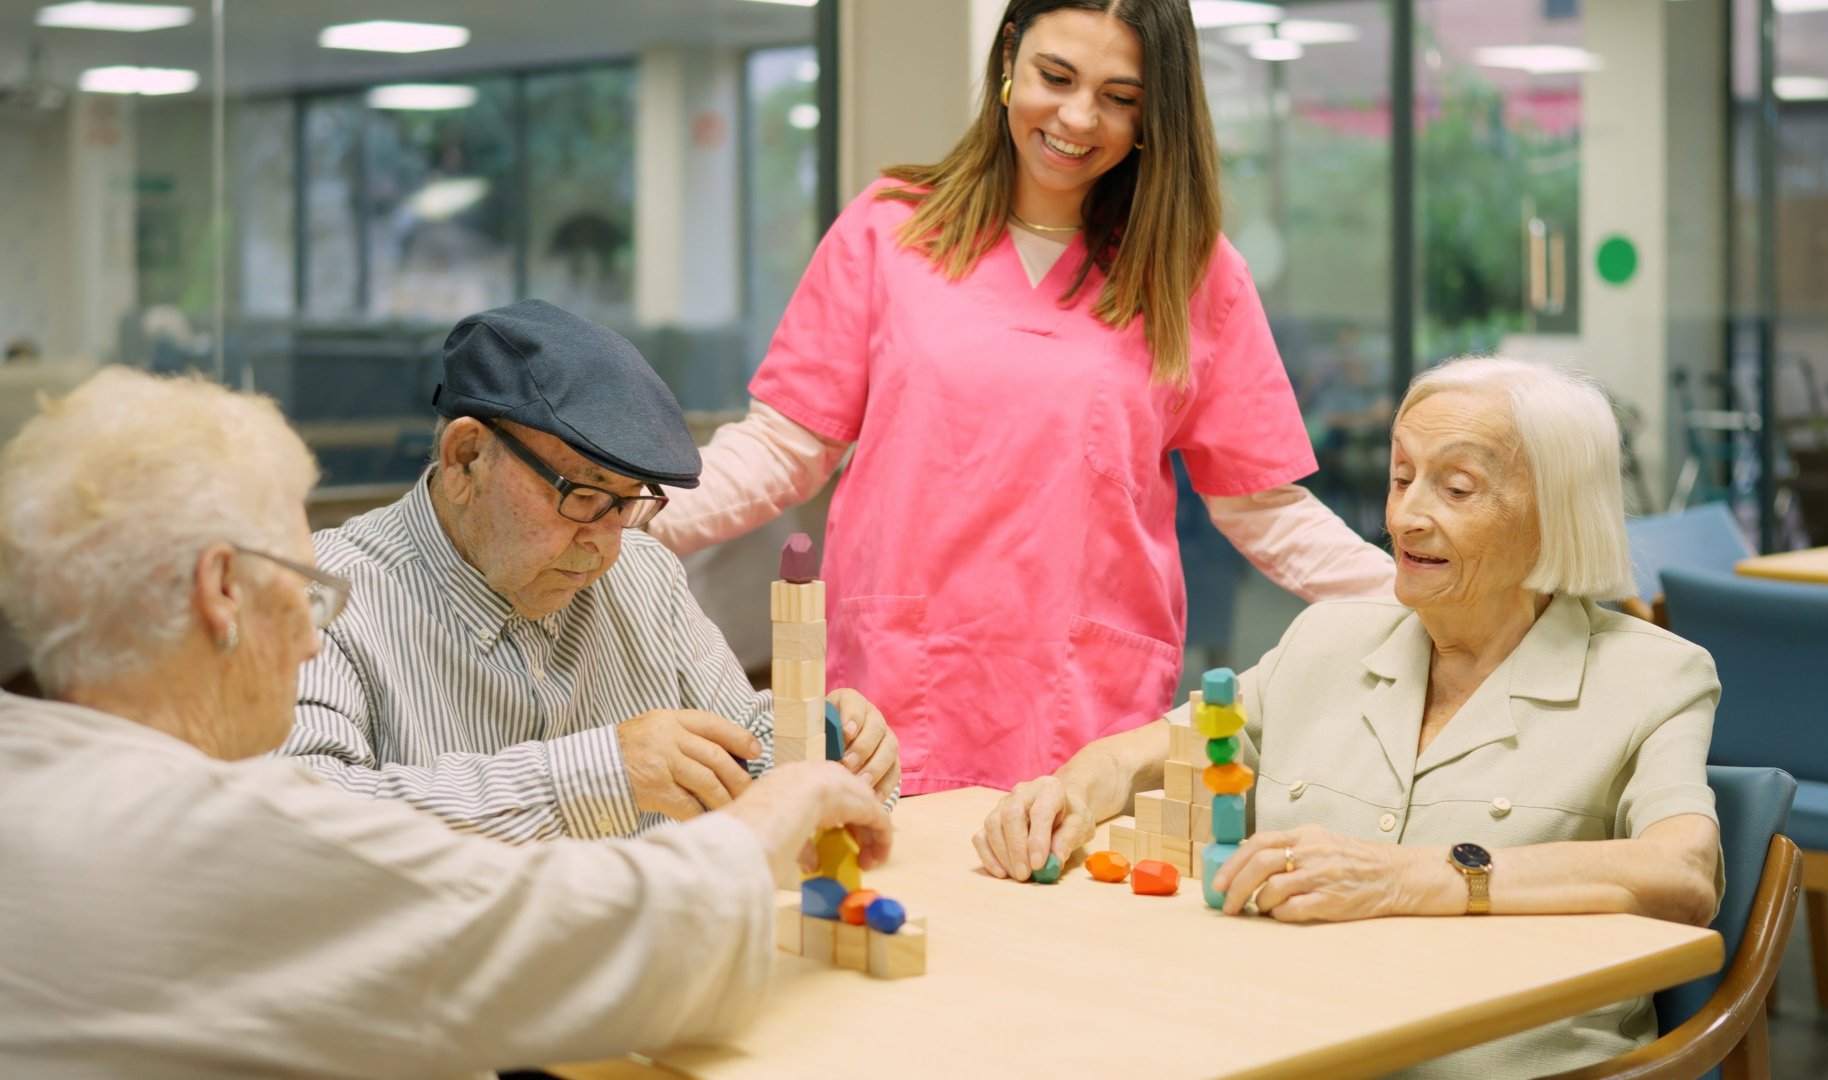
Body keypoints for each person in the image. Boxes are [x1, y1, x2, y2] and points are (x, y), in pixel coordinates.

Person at [0, 368, 892, 1077]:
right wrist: (781, 807)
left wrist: (803, 749)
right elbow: (624, 940)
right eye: (304, 588)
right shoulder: (208, 841)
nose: (315, 633)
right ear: (222, 591)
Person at [649, 0, 1396, 796]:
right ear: (1009, 56)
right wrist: (625, 515)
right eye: (1057, 76)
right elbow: (784, 446)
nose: (1079, 118)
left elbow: (1263, 508)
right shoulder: (889, 229)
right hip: (890, 694)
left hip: (1088, 711)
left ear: (1156, 112)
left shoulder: (1190, 271)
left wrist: (1419, 596)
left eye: (1120, 96)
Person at [975, 357, 1724, 1078]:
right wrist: (1072, 787)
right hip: (1283, 1047)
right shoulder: (1329, 636)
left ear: (1553, 514)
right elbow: (1175, 744)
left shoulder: (1654, 676)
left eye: (1456, 489)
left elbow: (1683, 872)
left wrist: (1413, 877)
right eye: (1401, 478)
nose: (1405, 516)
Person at [283, 300, 899, 842]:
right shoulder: (322, 598)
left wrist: (828, 750)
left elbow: (748, 753)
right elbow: (303, 826)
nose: (606, 547)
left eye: (630, 500)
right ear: (465, 458)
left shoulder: (644, 577)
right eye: (583, 495)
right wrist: (599, 774)